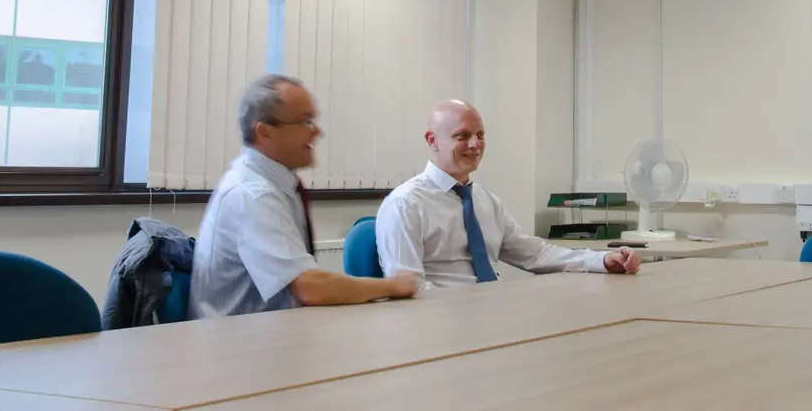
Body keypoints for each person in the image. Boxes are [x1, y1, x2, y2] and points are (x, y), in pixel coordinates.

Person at [190, 74, 418, 317]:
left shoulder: (276, 184)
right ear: (265, 132)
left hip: (278, 326)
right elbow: (310, 288)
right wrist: (393, 285)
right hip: (237, 337)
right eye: (306, 121)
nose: (317, 132)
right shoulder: (252, 194)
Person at [375, 99, 641, 288]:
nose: (475, 144)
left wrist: (602, 260)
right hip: (441, 323)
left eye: (480, 135)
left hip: (492, 312)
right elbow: (409, 286)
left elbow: (536, 254)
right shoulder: (405, 204)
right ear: (432, 140)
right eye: (462, 136)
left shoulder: (486, 202)